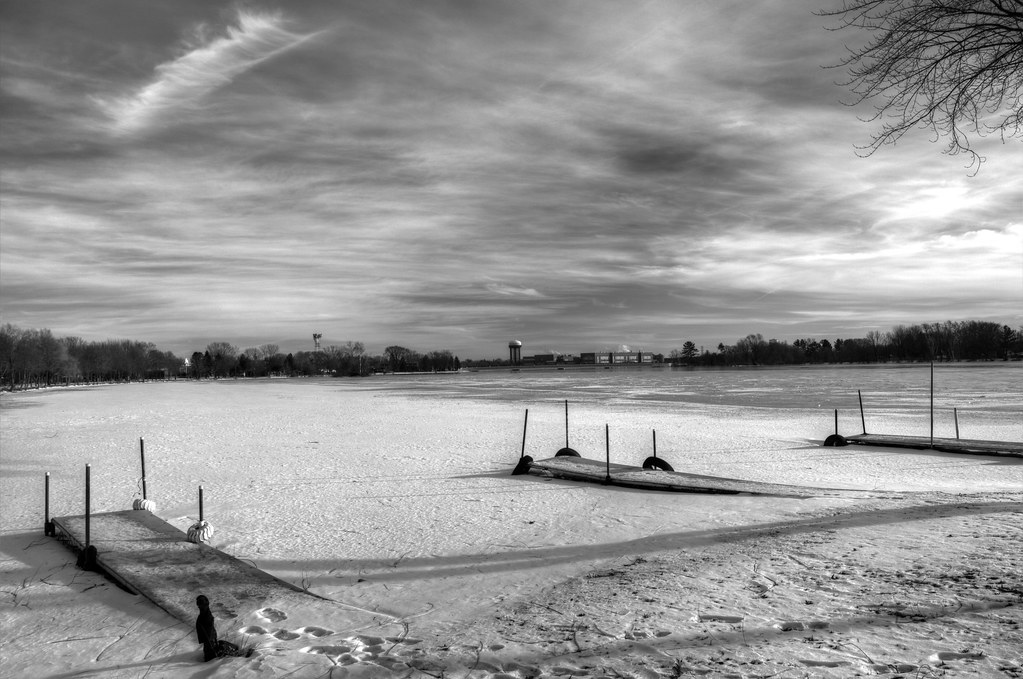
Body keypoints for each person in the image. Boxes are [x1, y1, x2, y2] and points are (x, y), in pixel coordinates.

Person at [195, 594, 241, 661]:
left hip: (210, 641)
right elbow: (208, 633)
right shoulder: (204, 616)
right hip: (209, 642)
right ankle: (234, 652)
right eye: (199, 605)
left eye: (200, 605)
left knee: (218, 648)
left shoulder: (205, 615)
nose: (199, 606)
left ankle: (235, 652)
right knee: (215, 649)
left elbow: (209, 631)